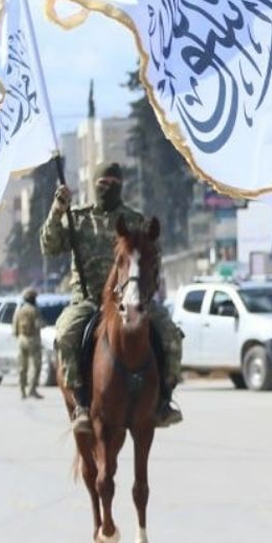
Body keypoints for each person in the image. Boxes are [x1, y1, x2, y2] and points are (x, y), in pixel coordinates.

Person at [42, 162, 184, 433]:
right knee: (65, 335)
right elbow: (49, 247)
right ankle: (81, 403)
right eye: (103, 184)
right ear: (94, 185)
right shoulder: (79, 217)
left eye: (114, 184)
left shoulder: (135, 220)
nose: (108, 189)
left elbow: (153, 261)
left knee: (170, 334)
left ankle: (164, 399)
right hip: (87, 300)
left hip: (129, 299)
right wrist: (57, 210)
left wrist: (145, 292)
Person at [13, 288, 44, 400]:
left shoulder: (19, 311)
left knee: (22, 367)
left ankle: (22, 391)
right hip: (33, 340)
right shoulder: (34, 311)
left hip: (21, 340)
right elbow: (39, 325)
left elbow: (14, 330)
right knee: (35, 366)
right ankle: (32, 390)